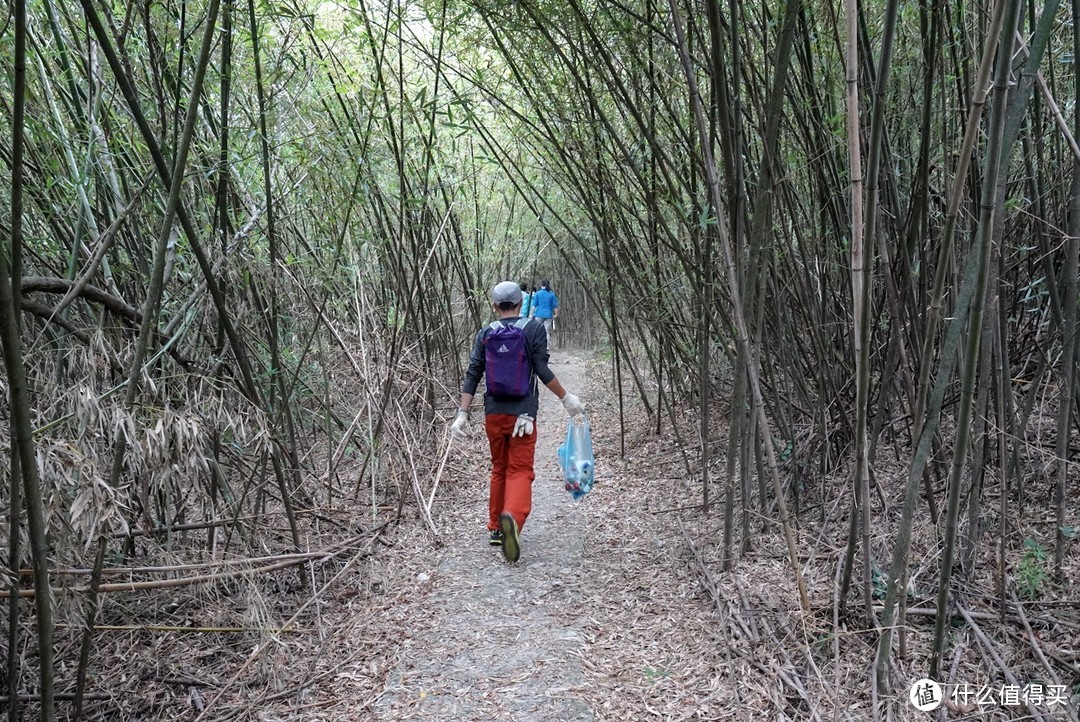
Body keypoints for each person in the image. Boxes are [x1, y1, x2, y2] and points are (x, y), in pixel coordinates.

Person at [450, 281, 586, 563]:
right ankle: (512, 517)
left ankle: (496, 528)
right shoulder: (533, 329)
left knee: (499, 468)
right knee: (520, 470)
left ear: (494, 306)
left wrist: (462, 414)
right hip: (523, 414)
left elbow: (473, 373)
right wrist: (566, 398)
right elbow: (542, 368)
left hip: (493, 413)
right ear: (521, 303)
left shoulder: (485, 333)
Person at [530, 280, 559, 351]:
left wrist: (531, 314)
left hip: (539, 314)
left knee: (538, 331)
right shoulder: (551, 294)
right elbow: (555, 306)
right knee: (547, 331)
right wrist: (556, 314)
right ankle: (547, 346)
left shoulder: (538, 294)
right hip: (548, 315)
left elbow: (534, 305)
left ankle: (538, 345)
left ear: (541, 285)